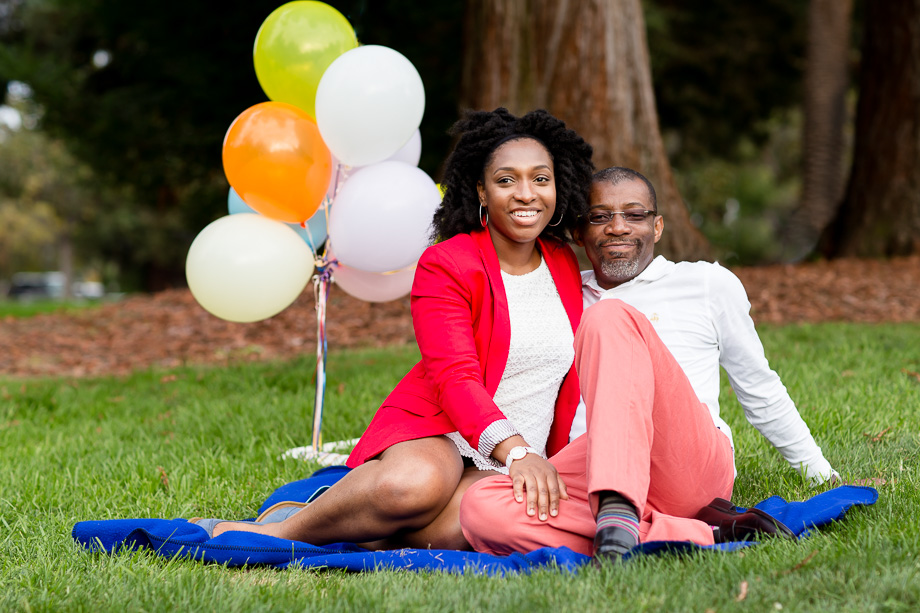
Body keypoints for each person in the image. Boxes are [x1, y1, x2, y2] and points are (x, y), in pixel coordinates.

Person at [192, 108, 595, 550]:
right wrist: (516, 450)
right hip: (443, 433)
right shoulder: (447, 264)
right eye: (505, 180)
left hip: (518, 457)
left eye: (541, 179)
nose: (526, 194)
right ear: (481, 189)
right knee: (414, 485)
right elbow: (455, 377)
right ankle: (280, 532)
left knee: (468, 523)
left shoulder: (562, 262)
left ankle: (362, 525)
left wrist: (538, 458)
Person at [459, 166, 838, 561]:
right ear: (578, 232)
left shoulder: (706, 284)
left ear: (656, 227)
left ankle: (620, 509)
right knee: (480, 507)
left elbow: (759, 387)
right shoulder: (560, 296)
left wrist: (819, 473)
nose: (617, 227)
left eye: (634, 215)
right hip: (590, 462)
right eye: (600, 216)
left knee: (610, 317)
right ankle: (699, 532)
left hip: (684, 459)